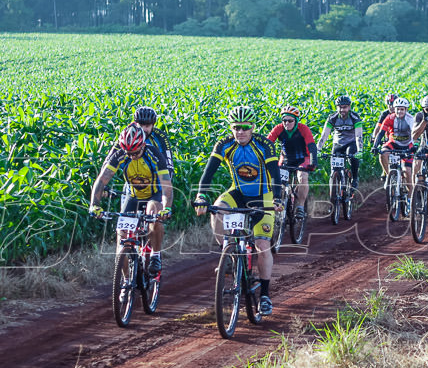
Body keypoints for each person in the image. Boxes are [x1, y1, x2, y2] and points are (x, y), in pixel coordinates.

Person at [193, 106, 284, 316]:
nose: (240, 132)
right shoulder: (224, 145)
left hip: (264, 196)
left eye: (244, 127)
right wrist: (201, 196)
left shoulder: (264, 145)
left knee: (262, 244)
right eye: (236, 127)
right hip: (239, 192)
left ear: (253, 127)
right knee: (217, 209)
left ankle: (265, 296)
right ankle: (229, 254)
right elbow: (208, 173)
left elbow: (275, 174)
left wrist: (277, 198)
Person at [89, 123, 173, 275]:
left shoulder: (152, 153)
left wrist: (166, 207)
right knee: (121, 237)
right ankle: (125, 281)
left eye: (135, 152)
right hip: (133, 196)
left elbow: (167, 185)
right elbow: (102, 180)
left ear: (142, 145)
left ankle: (155, 255)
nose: (132, 156)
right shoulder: (121, 154)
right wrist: (95, 205)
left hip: (153, 194)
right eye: (129, 153)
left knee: (154, 212)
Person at [266, 105, 318, 220]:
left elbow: (312, 145)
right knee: (279, 180)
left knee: (302, 177)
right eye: (284, 120)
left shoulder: (303, 129)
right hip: (286, 158)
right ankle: (280, 201)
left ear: (296, 121)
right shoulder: (278, 128)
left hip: (302, 158)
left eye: (290, 121)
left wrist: (314, 161)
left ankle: (300, 206)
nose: (287, 123)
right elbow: (267, 143)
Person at [316, 95, 363, 190]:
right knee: (334, 168)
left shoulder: (355, 117)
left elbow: (358, 136)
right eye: (340, 107)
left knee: (352, 156)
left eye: (344, 107)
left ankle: (354, 178)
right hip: (338, 143)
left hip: (351, 142)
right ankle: (333, 189)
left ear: (349, 107)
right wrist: (318, 149)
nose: (342, 110)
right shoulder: (332, 118)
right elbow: (324, 136)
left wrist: (360, 150)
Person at [373, 97, 416, 190]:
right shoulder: (389, 117)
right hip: (393, 143)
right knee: (383, 153)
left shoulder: (410, 119)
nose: (399, 111)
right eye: (397, 109)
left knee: (407, 173)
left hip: (407, 145)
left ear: (406, 110)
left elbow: (415, 135)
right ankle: (389, 177)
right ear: (394, 109)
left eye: (402, 109)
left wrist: (415, 146)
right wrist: (375, 146)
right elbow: (381, 133)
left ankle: (409, 200)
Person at [133, 107, 175, 178]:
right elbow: (111, 158)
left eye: (147, 126)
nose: (143, 129)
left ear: (153, 125)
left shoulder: (160, 136)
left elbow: (169, 164)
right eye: (141, 125)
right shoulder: (128, 135)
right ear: (136, 124)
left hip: (154, 178)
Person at [373, 93, 398, 176]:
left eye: (393, 104)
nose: (391, 107)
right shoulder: (385, 114)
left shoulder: (401, 112)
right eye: (389, 104)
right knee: (383, 153)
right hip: (388, 138)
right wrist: (374, 137)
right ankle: (387, 174)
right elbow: (378, 128)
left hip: (401, 139)